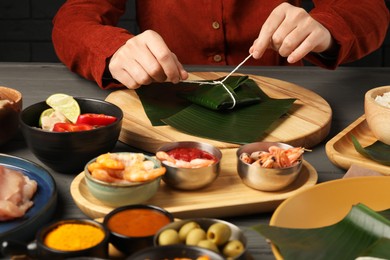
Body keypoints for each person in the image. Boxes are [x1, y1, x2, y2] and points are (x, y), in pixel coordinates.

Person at [52, 1, 389, 90]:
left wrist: (326, 26)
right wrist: (111, 49)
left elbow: (368, 9)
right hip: (169, 97)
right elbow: (73, 19)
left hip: (285, 97)